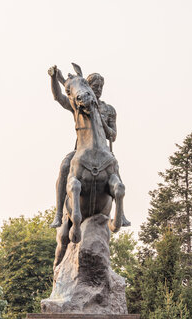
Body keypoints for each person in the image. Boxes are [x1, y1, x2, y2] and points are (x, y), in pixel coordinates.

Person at [48, 65, 130, 228]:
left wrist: (102, 122)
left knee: (116, 169)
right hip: (81, 151)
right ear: (88, 88)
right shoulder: (79, 104)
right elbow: (58, 97)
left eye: (100, 87)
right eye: (95, 86)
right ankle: (58, 214)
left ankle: (122, 214)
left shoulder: (108, 110)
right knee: (65, 165)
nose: (98, 89)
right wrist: (53, 78)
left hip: (103, 152)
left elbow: (112, 135)